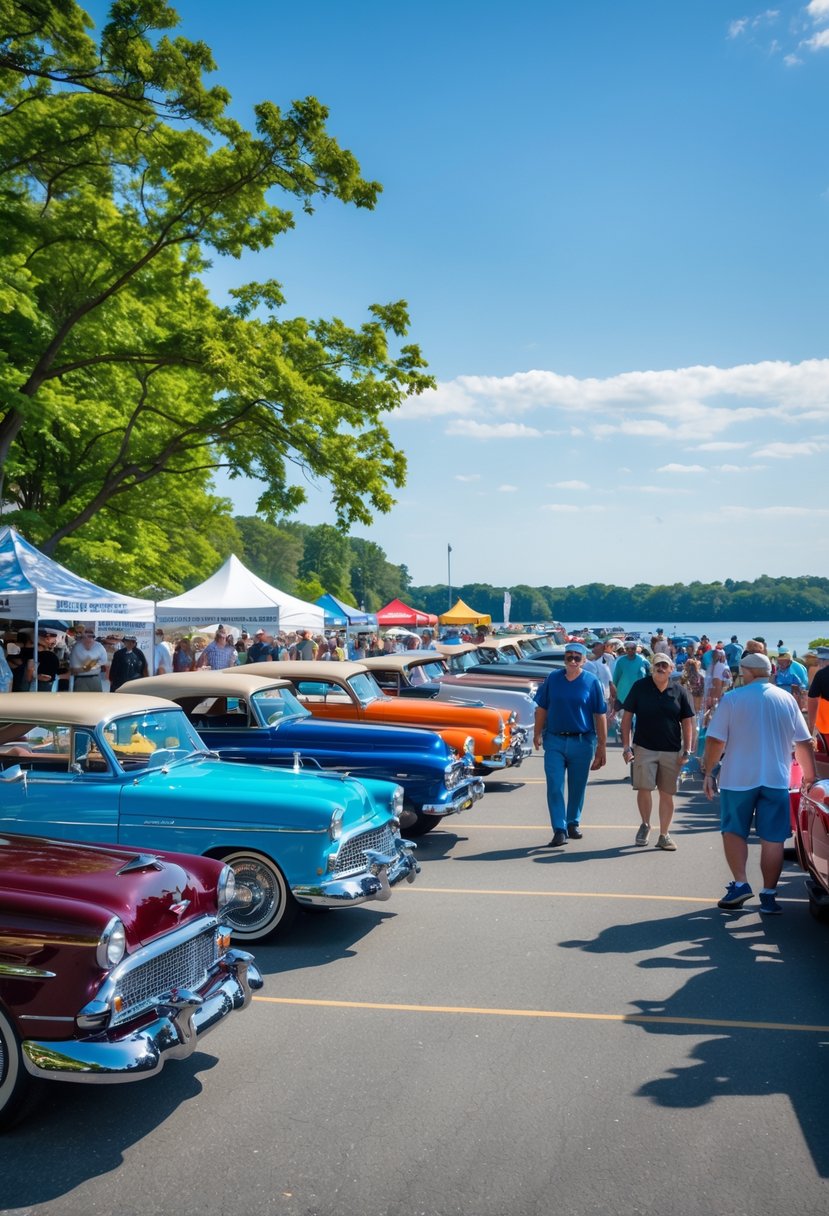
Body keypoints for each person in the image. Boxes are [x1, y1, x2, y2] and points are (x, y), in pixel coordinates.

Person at [703, 651, 816, 914]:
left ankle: (741, 883)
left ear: (746, 672)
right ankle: (768, 893)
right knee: (773, 839)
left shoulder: (732, 699)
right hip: (776, 778)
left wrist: (709, 771)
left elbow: (715, 740)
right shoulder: (786, 698)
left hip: (738, 777)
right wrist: (810, 778)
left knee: (733, 831)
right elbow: (803, 742)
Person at [532, 641, 607, 847]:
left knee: (577, 786)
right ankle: (559, 828)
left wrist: (602, 746)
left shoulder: (592, 682)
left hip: (582, 742)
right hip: (555, 740)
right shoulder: (553, 679)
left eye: (577, 657)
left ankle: (573, 822)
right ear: (564, 659)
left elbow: (599, 714)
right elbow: (542, 708)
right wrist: (537, 733)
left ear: (584, 660)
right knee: (555, 785)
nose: (572, 661)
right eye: (569, 657)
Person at [620, 653, 694, 851]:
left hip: (671, 750)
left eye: (664, 665)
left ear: (671, 669)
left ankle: (664, 834)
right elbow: (627, 718)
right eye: (657, 665)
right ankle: (645, 824)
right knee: (644, 789)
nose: (660, 668)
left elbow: (687, 722)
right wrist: (626, 747)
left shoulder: (679, 691)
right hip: (644, 748)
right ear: (652, 667)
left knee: (667, 793)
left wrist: (687, 749)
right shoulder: (640, 687)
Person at [612, 639, 650, 712]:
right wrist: (614, 692)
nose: (630, 650)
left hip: (639, 694)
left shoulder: (642, 660)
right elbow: (616, 677)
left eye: (632, 648)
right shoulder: (621, 661)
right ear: (625, 650)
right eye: (627, 649)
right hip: (623, 693)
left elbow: (648, 674)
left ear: (635, 649)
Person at [806, 647, 829, 739]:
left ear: (824, 660)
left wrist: (810, 728)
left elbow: (812, 700)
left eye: (819, 661)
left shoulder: (821, 674)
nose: (818, 665)